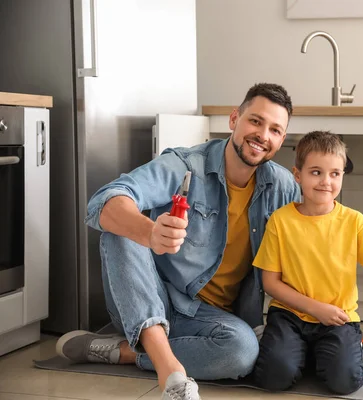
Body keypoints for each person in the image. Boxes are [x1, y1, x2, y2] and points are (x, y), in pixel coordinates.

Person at [55, 83, 300, 400]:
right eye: (255, 121)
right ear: (234, 119)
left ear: (281, 140)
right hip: (145, 297)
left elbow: (316, 234)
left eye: (275, 130)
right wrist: (150, 233)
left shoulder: (282, 187)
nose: (262, 135)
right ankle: (172, 376)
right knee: (121, 231)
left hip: (207, 318)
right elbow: (103, 201)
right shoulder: (185, 165)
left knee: (243, 351)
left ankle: (126, 352)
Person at [251, 131, 363, 395]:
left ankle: (314, 353)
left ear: (342, 175)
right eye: (316, 172)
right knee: (272, 377)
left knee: (346, 382)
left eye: (335, 174)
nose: (325, 182)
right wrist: (316, 309)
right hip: (289, 315)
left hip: (338, 318)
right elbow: (270, 282)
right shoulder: (280, 221)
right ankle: (300, 352)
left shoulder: (355, 222)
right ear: (298, 175)